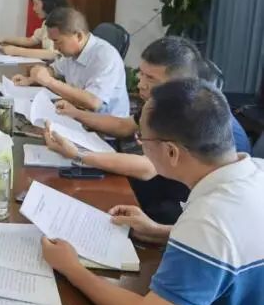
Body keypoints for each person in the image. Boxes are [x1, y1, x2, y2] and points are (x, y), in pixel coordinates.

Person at [42, 79, 264, 305]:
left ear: (171, 152)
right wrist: (160, 231)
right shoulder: (255, 170)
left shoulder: (208, 220)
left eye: (142, 138)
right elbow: (232, 245)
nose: (140, 145)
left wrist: (71, 268)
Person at [43, 36, 251, 223]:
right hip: (168, 179)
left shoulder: (191, 111)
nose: (140, 84)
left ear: (180, 81)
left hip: (185, 204)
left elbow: (147, 168)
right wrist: (75, 113)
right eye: (141, 74)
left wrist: (78, 154)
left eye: (151, 79)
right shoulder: (173, 98)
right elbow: (124, 126)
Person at [13, 7, 129, 117]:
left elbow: (93, 102)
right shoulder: (71, 52)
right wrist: (32, 79)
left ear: (78, 36)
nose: (55, 47)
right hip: (77, 115)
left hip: (105, 126)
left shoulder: (105, 56)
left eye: (58, 42)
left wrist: (49, 81)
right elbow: (54, 70)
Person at [0, 0, 68, 60]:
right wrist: (4, 39)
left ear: (48, 2)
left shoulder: (64, 21)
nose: (33, 9)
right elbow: (30, 40)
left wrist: (17, 51)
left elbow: (55, 54)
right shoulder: (47, 22)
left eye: (36, 4)